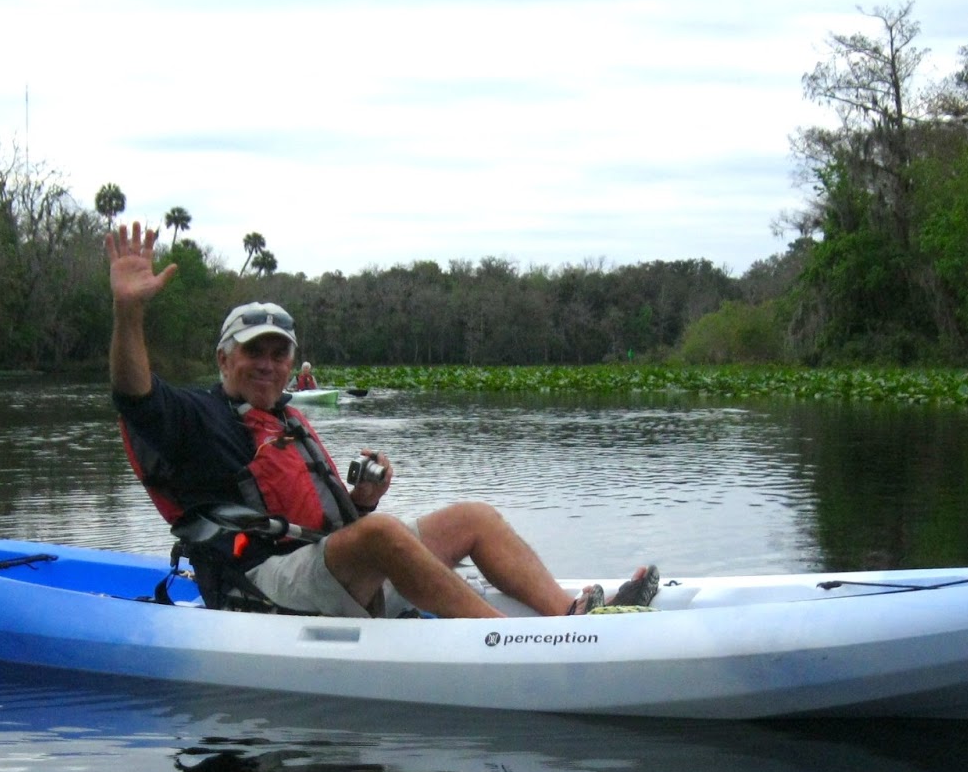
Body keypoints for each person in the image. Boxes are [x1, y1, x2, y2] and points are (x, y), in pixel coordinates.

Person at [106, 221, 658, 620]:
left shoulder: (283, 420)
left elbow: (322, 521)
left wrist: (361, 499)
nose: (268, 366)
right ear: (224, 359)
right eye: (254, 353)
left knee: (473, 517)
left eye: (280, 355)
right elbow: (136, 397)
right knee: (382, 535)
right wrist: (128, 311)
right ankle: (504, 643)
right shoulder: (198, 416)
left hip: (331, 569)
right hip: (261, 586)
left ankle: (570, 614)